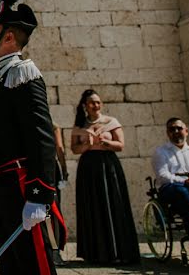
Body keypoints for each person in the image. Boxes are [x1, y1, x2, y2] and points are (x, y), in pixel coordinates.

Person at [0, 0, 63, 275]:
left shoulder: (24, 73)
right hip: (2, 185)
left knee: (33, 263)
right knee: (12, 263)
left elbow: (41, 137)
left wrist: (40, 193)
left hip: (23, 185)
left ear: (8, 36)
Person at [71, 89, 139, 264]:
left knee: (113, 203)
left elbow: (120, 145)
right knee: (92, 204)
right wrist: (87, 143)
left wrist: (106, 142)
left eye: (98, 102)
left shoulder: (111, 122)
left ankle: (119, 251)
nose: (96, 105)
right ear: (85, 106)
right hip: (88, 168)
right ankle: (94, 252)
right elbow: (74, 149)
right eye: (92, 103)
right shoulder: (80, 125)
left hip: (108, 166)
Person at [51, 123, 68, 266]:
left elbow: (59, 148)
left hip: (49, 169)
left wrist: (63, 169)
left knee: (53, 210)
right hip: (48, 167)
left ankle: (54, 250)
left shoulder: (53, 125)